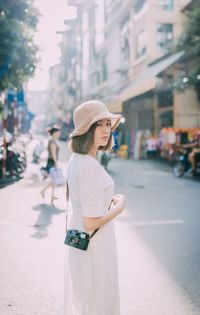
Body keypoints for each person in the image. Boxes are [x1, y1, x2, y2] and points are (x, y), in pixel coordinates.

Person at [64, 100, 126, 315]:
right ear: (86, 130)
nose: (106, 130)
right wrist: (120, 205)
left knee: (88, 303)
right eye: (99, 124)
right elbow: (91, 222)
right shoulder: (88, 165)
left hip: (81, 244)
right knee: (100, 304)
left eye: (108, 124)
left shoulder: (77, 159)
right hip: (95, 247)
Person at [40, 125, 61, 204]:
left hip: (51, 161)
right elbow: (53, 154)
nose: (59, 134)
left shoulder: (52, 140)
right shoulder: (52, 141)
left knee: (53, 180)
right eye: (58, 132)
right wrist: (56, 163)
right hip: (52, 162)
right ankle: (43, 191)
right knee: (54, 180)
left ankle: (52, 195)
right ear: (55, 133)